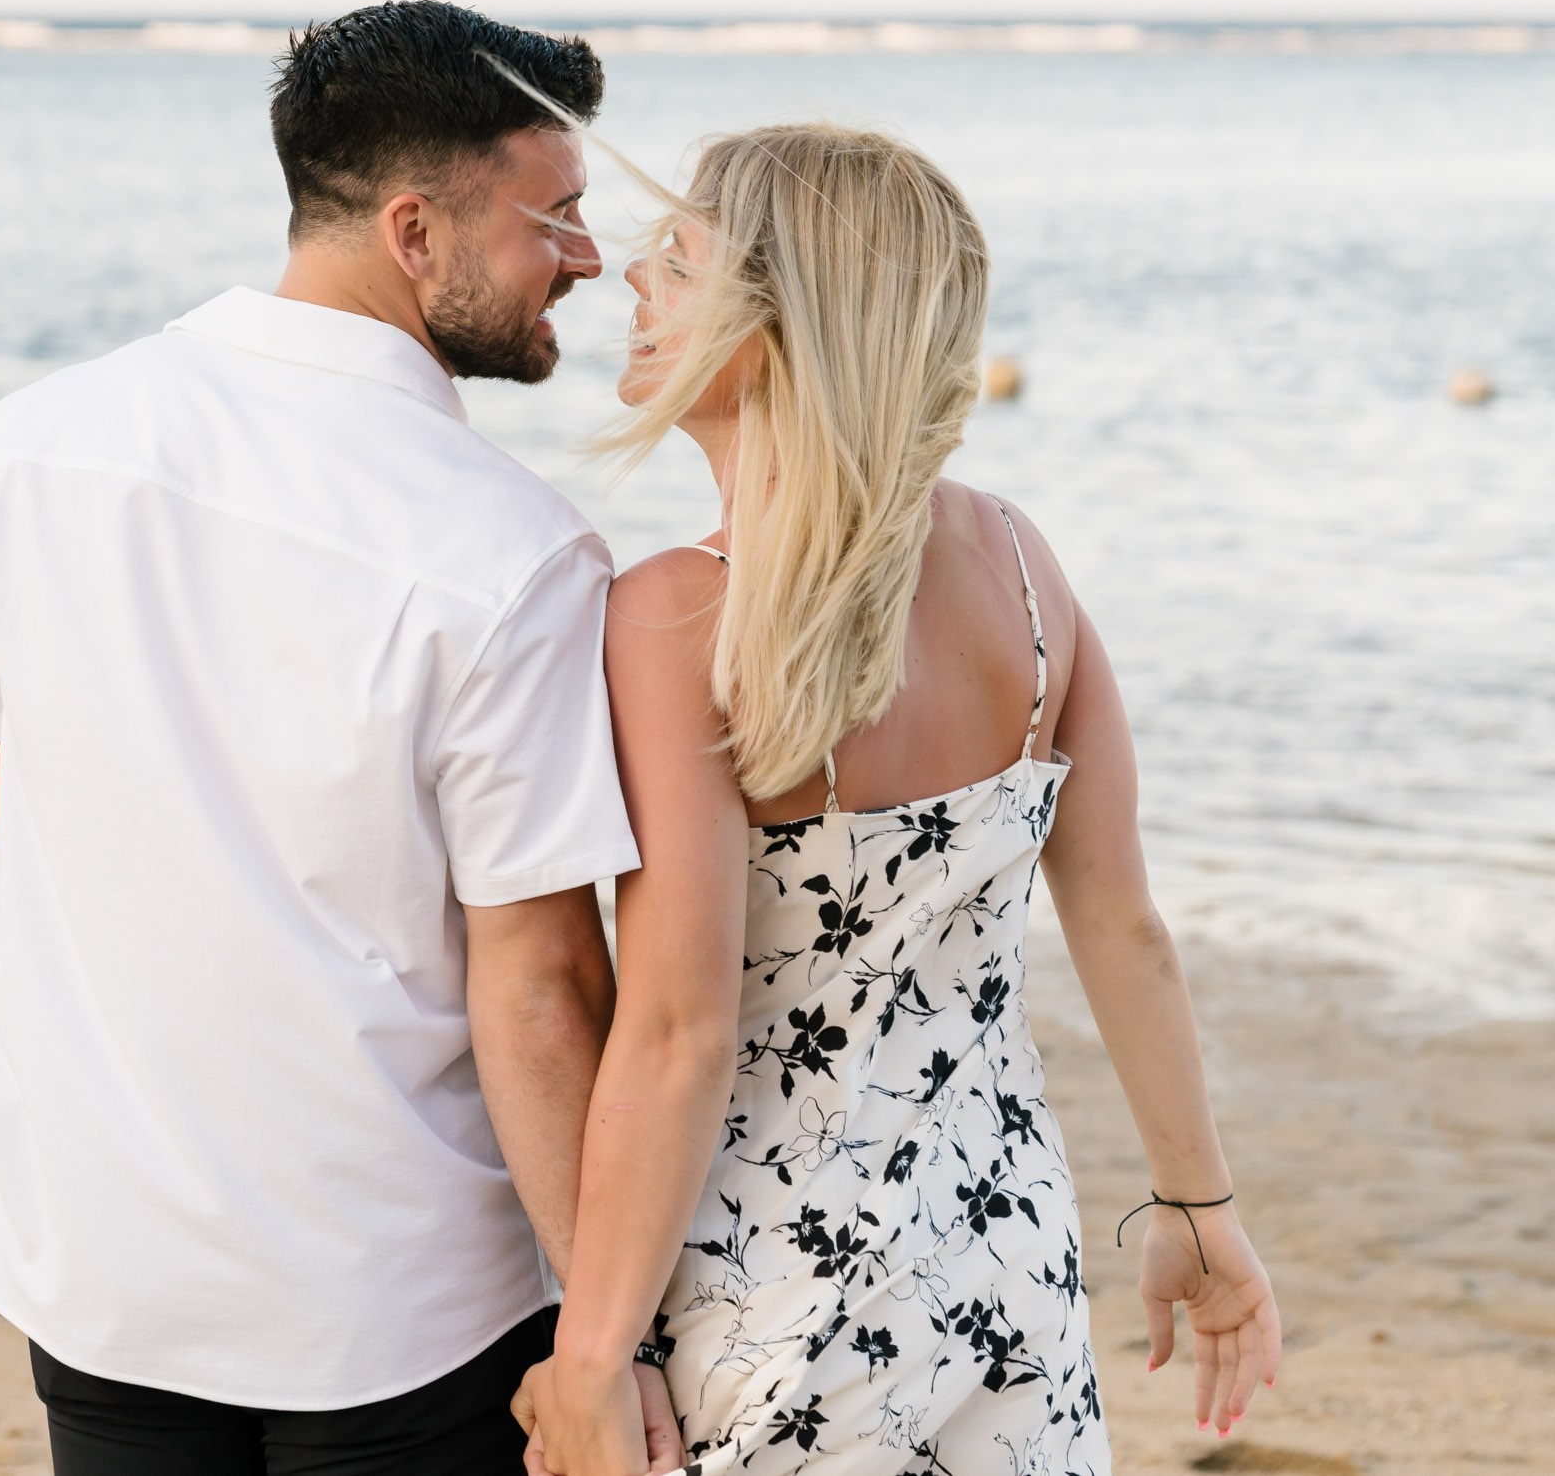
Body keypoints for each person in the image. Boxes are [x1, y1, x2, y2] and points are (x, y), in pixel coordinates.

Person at [0, 1, 679, 1476]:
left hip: (105, 1263)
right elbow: (538, 981)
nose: (588, 259)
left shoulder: (40, 436)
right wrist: (608, 1339)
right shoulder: (509, 552)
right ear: (415, 232)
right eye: (558, 218)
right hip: (396, 1311)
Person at [513, 126, 1283, 1474]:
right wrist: (1200, 1212)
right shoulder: (1022, 565)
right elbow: (1124, 928)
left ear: (777, 321)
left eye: (679, 264)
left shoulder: (678, 616)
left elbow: (680, 1030)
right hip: (1005, 1270)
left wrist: (590, 1361)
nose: (634, 281)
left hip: (776, 1303)